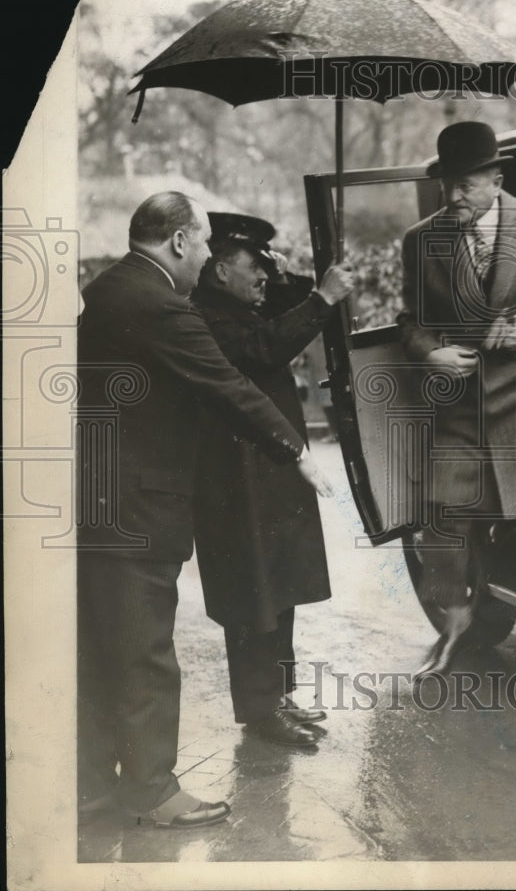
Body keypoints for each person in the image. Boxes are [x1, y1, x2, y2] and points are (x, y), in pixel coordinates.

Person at [77, 192, 332, 829]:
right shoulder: (162, 304)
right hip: (140, 504)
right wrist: (295, 451)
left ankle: (93, 785)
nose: (207, 258)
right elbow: (226, 384)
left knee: (104, 648)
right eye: (204, 244)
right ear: (181, 241)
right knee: (145, 652)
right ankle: (152, 793)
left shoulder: (108, 288)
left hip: (103, 494)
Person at [397, 122, 516, 677]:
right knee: (444, 515)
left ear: (496, 179)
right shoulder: (420, 240)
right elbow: (411, 321)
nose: (452, 196)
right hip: (464, 401)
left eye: (466, 185)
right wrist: (432, 354)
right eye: (446, 185)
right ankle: (454, 622)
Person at [191, 213, 353, 746]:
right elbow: (264, 347)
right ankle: (261, 711)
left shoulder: (236, 306)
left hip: (265, 470)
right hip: (236, 480)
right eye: (253, 264)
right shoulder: (206, 315)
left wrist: (284, 280)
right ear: (220, 269)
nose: (263, 274)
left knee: (278, 584)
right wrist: (321, 300)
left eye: (267, 264)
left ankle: (279, 696)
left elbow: (282, 312)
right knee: (253, 594)